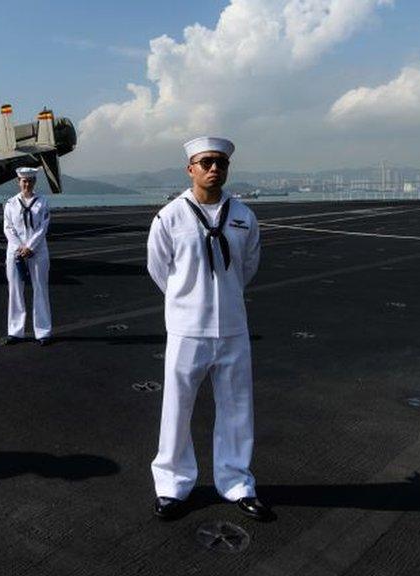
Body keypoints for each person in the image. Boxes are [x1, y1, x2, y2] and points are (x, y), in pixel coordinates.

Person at [146, 137, 272, 521]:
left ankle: (237, 482)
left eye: (220, 162)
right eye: (205, 162)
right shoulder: (170, 217)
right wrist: (189, 301)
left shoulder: (243, 216)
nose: (213, 168)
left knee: (236, 407)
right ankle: (172, 485)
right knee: (177, 408)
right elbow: (158, 268)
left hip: (233, 327)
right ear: (190, 169)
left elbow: (248, 266)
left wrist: (225, 297)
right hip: (187, 329)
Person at [3, 166, 52, 346]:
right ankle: (15, 331)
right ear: (18, 182)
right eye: (24, 181)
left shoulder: (42, 202)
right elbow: (8, 228)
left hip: (37, 251)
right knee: (15, 291)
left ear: (34, 182)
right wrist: (19, 248)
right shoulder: (10, 204)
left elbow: (42, 227)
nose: (27, 184)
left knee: (40, 289)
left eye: (30, 181)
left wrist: (30, 247)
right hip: (15, 253)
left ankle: (43, 331)